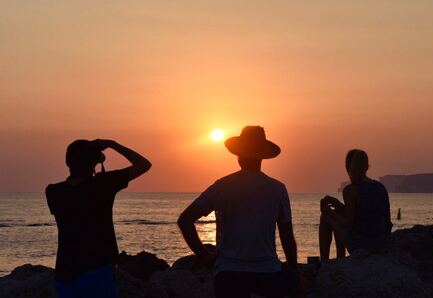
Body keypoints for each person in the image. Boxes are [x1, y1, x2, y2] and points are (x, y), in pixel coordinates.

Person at [178, 126, 299, 298]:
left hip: (228, 273)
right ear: (262, 156)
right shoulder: (278, 189)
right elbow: (286, 236)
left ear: (239, 155)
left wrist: (203, 255)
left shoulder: (221, 186)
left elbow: (185, 220)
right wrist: (293, 271)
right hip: (267, 272)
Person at [45, 139, 152, 298]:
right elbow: (144, 164)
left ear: (68, 161)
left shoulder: (53, 192)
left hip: (64, 273)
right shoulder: (104, 184)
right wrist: (113, 144)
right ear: (95, 162)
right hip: (97, 271)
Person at [319, 149, 392, 260]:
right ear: (367, 167)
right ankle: (340, 258)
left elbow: (349, 225)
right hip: (382, 243)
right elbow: (364, 215)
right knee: (338, 212)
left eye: (351, 168)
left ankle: (324, 262)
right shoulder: (380, 187)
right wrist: (338, 204)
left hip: (361, 245)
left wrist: (328, 212)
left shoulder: (350, 190)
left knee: (325, 217)